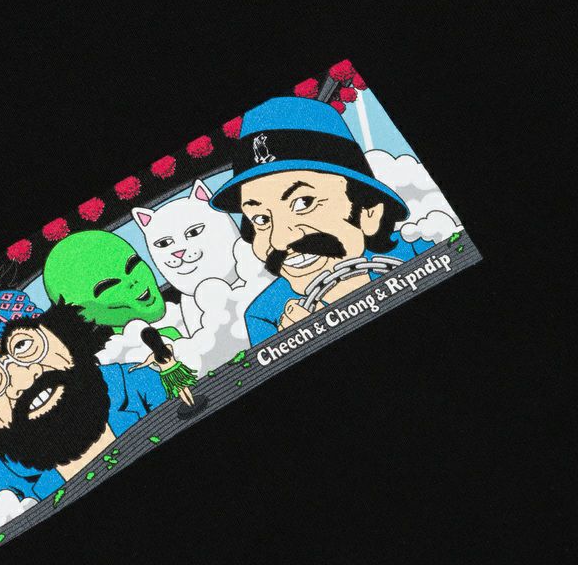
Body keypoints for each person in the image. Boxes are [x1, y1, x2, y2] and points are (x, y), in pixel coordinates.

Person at [0, 268, 166, 501]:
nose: (24, 379)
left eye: (23, 345)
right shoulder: (10, 492)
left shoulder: (139, 383)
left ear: (60, 335)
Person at [209, 96, 426, 344]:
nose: (280, 240)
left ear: (369, 212)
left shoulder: (424, 250)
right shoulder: (265, 317)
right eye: (260, 219)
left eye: (303, 203)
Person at [43, 230, 182, 340]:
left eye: (132, 265)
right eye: (109, 286)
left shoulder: (187, 304)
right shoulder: (116, 357)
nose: (131, 281)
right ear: (82, 313)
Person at [130, 327, 207, 418]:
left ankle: (190, 406)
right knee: (185, 388)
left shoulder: (152, 356)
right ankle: (193, 404)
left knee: (180, 391)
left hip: (167, 375)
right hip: (177, 370)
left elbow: (144, 364)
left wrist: (134, 368)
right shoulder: (169, 346)